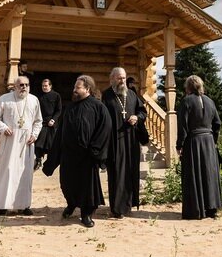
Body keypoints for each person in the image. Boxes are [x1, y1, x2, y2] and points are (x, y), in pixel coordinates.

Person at [42, 75, 111, 228]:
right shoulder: (70, 107)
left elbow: (105, 129)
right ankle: (71, 204)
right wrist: (55, 156)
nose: (74, 90)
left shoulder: (98, 107)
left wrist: (95, 150)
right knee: (67, 184)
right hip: (69, 155)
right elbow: (61, 132)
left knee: (86, 187)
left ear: (87, 89)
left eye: (78, 87)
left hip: (87, 156)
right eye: (74, 87)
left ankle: (86, 214)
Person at [0, 76, 42, 216]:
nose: (24, 87)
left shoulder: (34, 100)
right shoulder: (5, 99)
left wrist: (34, 135)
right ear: (15, 86)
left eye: (26, 85)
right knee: (8, 172)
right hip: (9, 141)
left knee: (25, 174)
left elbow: (38, 121)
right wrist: (3, 127)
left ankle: (24, 206)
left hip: (27, 143)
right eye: (21, 85)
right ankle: (3, 205)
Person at [176, 74, 222, 220]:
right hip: (208, 141)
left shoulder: (186, 101)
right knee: (209, 174)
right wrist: (213, 140)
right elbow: (217, 123)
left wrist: (179, 145)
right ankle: (211, 209)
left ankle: (196, 211)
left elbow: (182, 126)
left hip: (193, 142)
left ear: (188, 87)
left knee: (194, 175)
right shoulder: (210, 101)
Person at [102, 67, 146, 218]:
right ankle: (116, 208)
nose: (122, 81)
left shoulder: (132, 94)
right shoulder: (106, 96)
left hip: (131, 140)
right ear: (112, 78)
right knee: (117, 173)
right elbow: (102, 119)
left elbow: (142, 111)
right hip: (114, 141)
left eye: (124, 78)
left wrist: (136, 117)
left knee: (131, 171)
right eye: (119, 78)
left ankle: (129, 204)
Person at [33, 78, 62, 170]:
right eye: (43, 86)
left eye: (46, 86)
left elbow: (59, 110)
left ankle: (50, 163)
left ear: (50, 86)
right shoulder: (38, 96)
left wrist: (53, 120)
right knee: (38, 143)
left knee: (51, 144)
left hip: (51, 123)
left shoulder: (56, 95)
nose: (44, 87)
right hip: (41, 122)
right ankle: (38, 160)